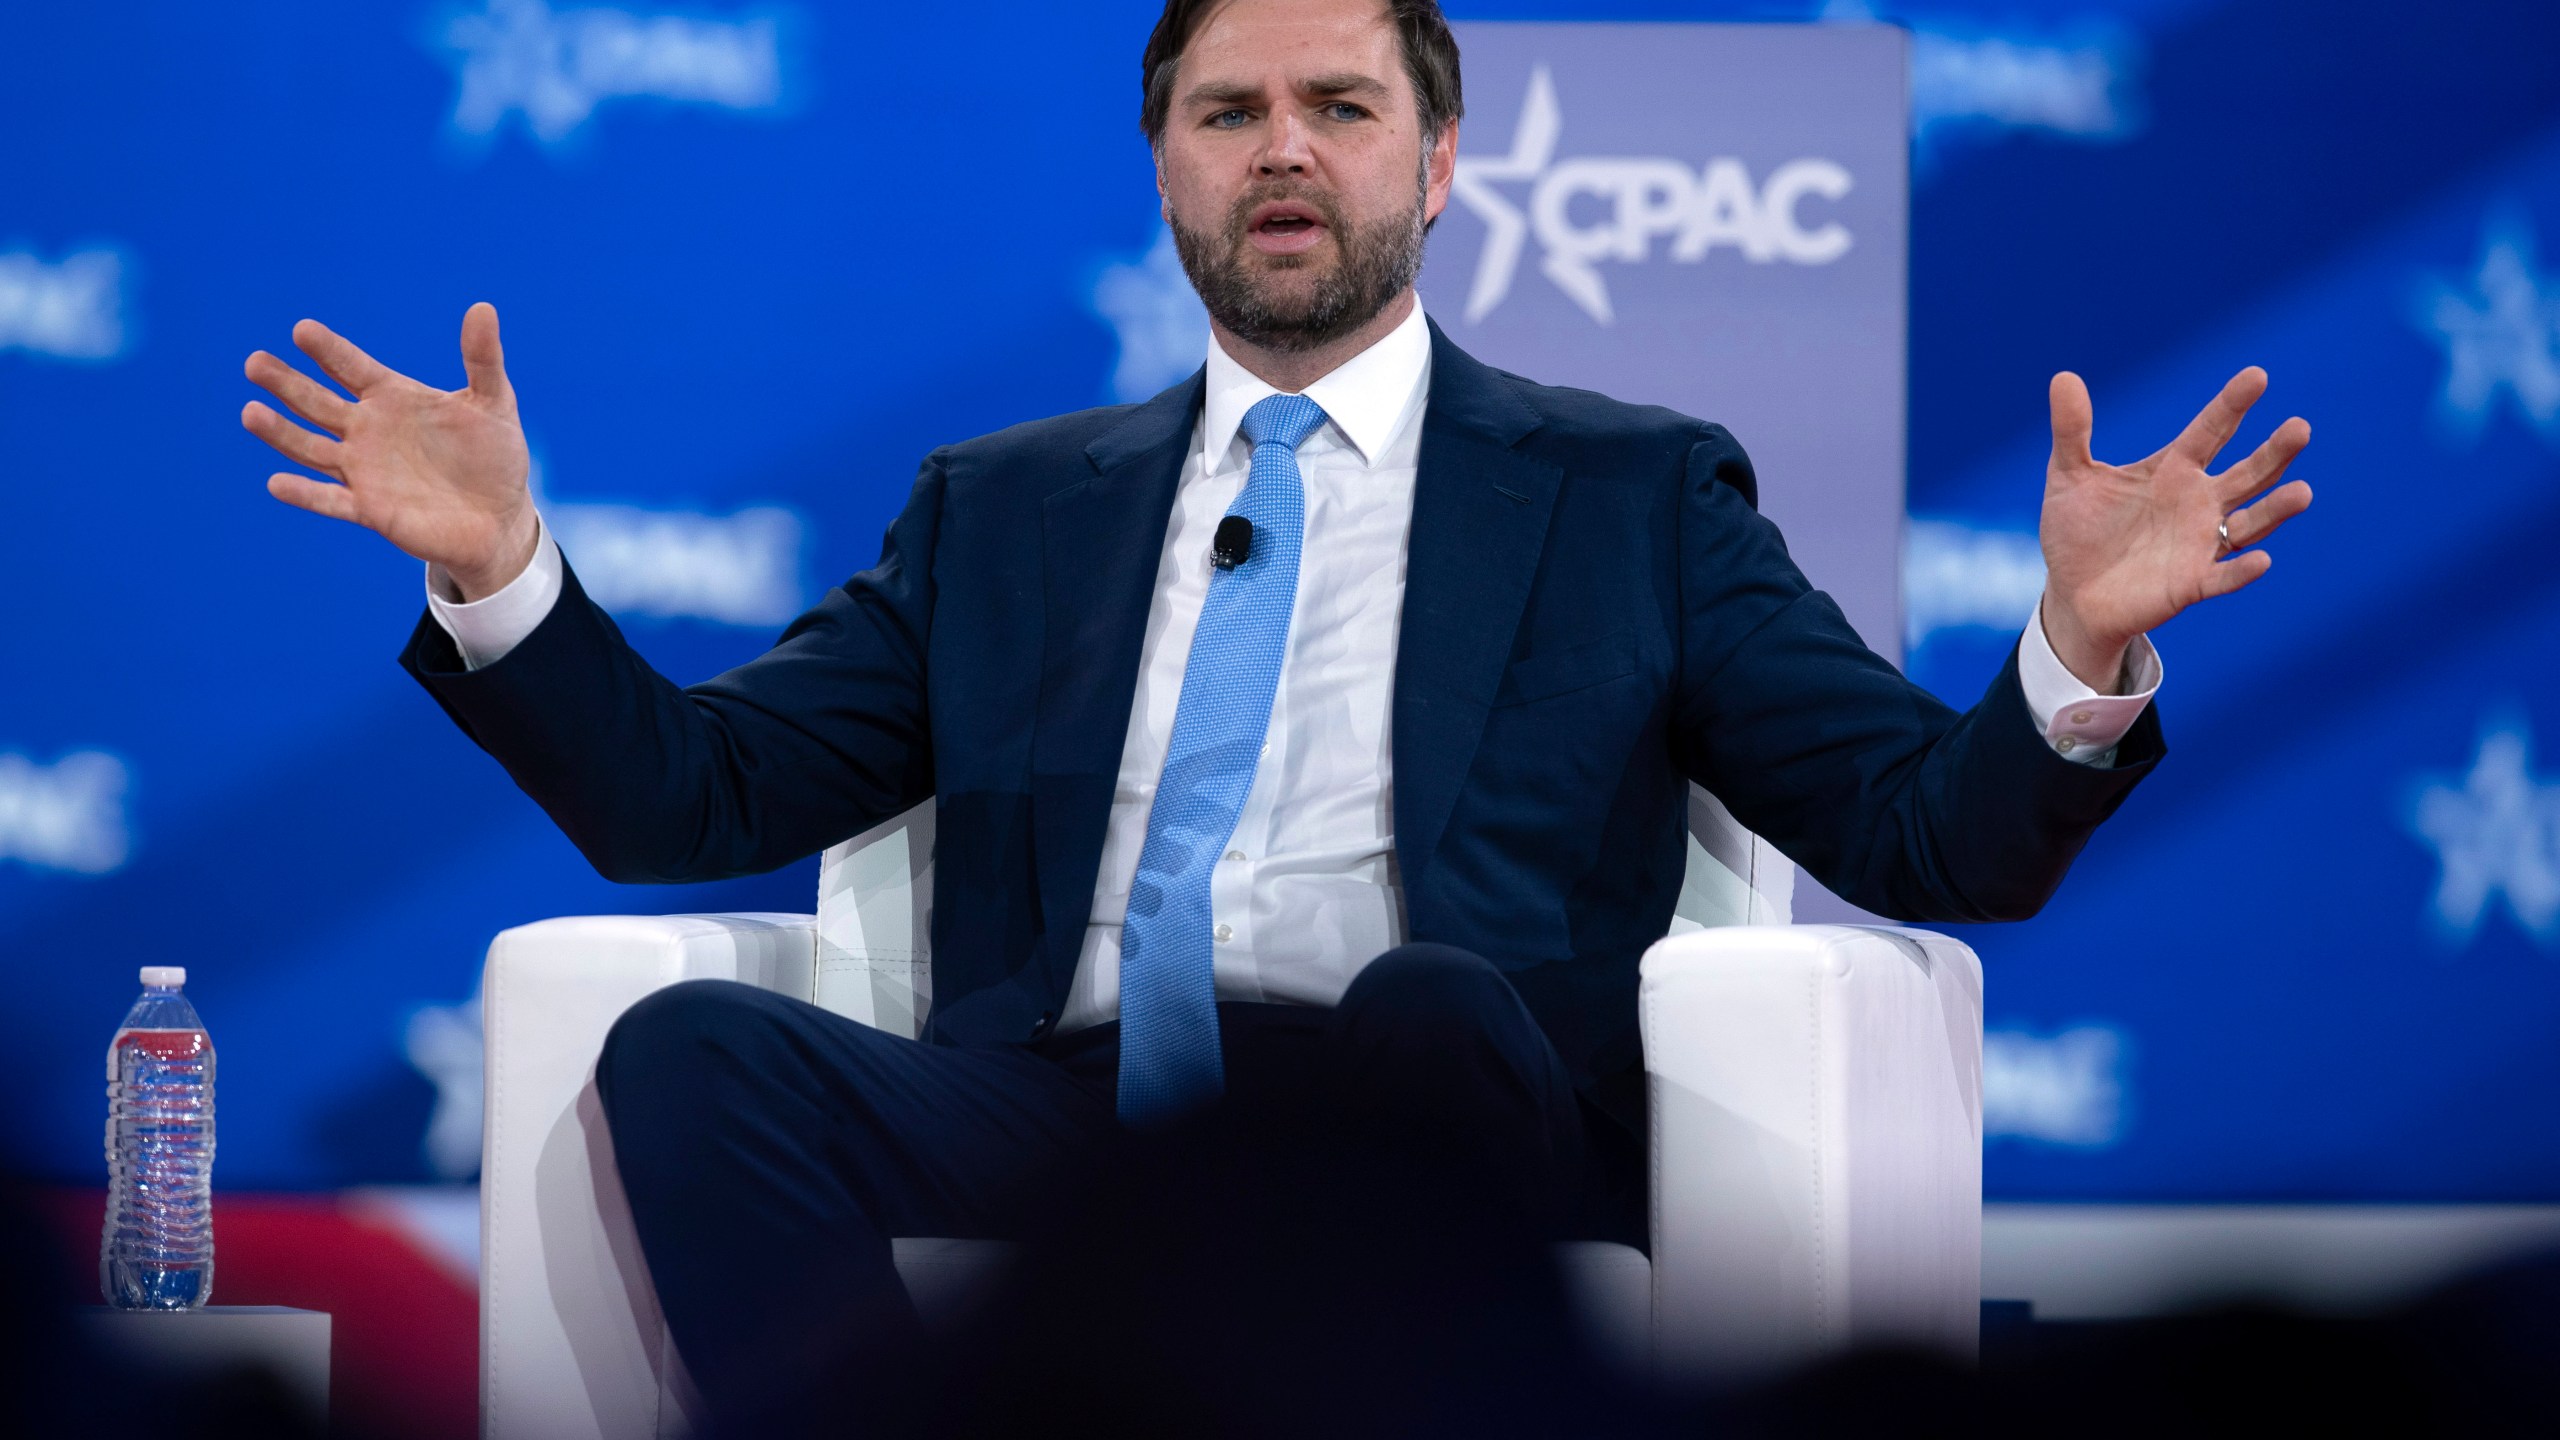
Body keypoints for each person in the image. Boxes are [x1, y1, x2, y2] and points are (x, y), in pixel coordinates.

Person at [239, 0, 2313, 1428]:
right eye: (1230, 114)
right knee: (689, 1056)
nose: (1285, 152)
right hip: (1070, 1109)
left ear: (1438, 154)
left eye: (1335, 103)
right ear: (1162, 165)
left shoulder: (1631, 490)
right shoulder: (1003, 508)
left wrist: (2070, 653)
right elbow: (697, 792)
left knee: (1418, 1011)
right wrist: (506, 575)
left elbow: (1915, 831)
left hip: (1450, 1104)